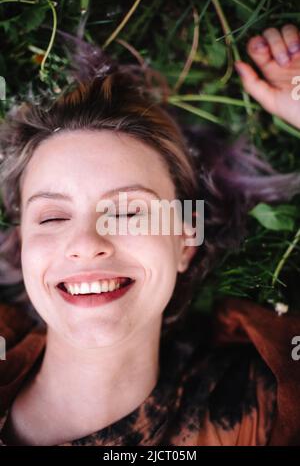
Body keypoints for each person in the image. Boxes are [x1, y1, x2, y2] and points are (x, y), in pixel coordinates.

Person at [0, 24, 300, 446]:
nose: (87, 244)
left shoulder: (263, 411)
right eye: (51, 218)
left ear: (185, 240)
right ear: (24, 243)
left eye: (126, 212)